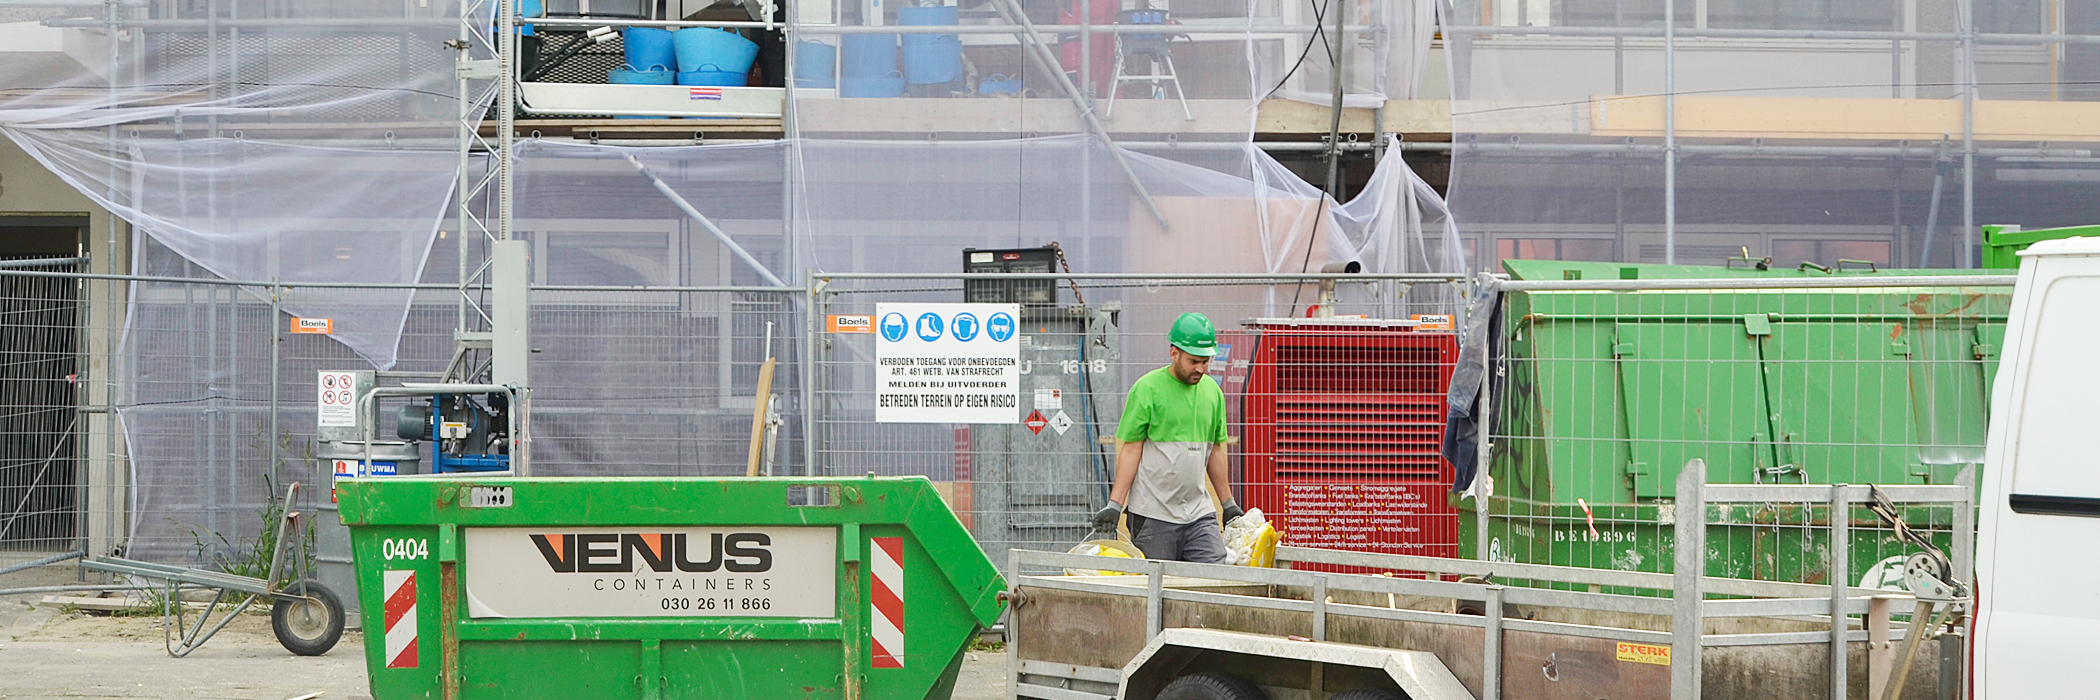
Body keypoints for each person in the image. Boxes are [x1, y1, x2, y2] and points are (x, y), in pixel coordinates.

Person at [1090, 312, 1244, 562]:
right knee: (1157, 589)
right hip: (1153, 516)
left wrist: (1227, 504)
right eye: (1194, 361)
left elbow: (1215, 450)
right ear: (1174, 353)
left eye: (1206, 361)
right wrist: (1115, 505)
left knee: (1214, 578)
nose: (1201, 369)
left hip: (1199, 514)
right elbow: (1130, 450)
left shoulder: (1213, 393)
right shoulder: (1147, 389)